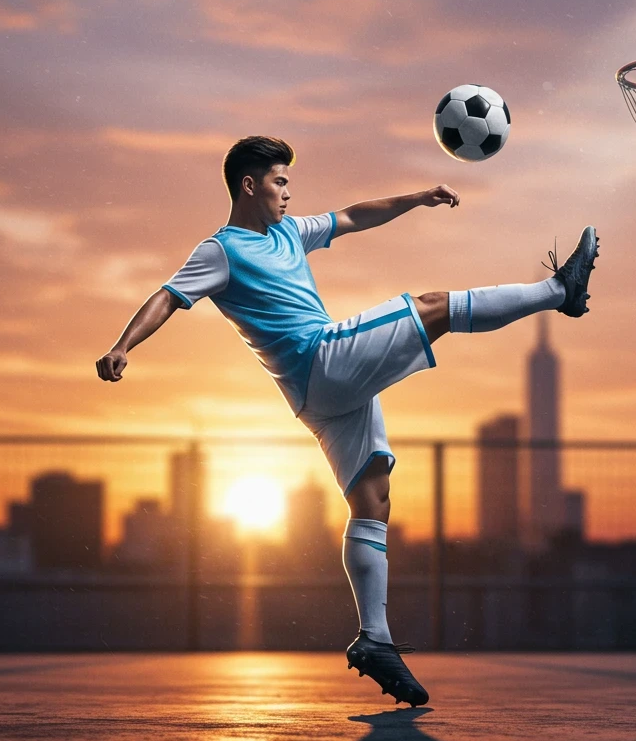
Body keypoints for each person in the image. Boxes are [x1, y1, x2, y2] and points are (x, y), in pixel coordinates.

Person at [96, 135, 599, 706]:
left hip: (318, 397)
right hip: (321, 360)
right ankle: (558, 290)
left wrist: (419, 196)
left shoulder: (290, 231)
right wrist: (122, 346)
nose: (288, 191)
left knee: (373, 498)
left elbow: (356, 216)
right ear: (249, 185)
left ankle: (375, 639)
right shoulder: (220, 251)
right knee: (432, 307)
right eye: (280, 181)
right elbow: (167, 296)